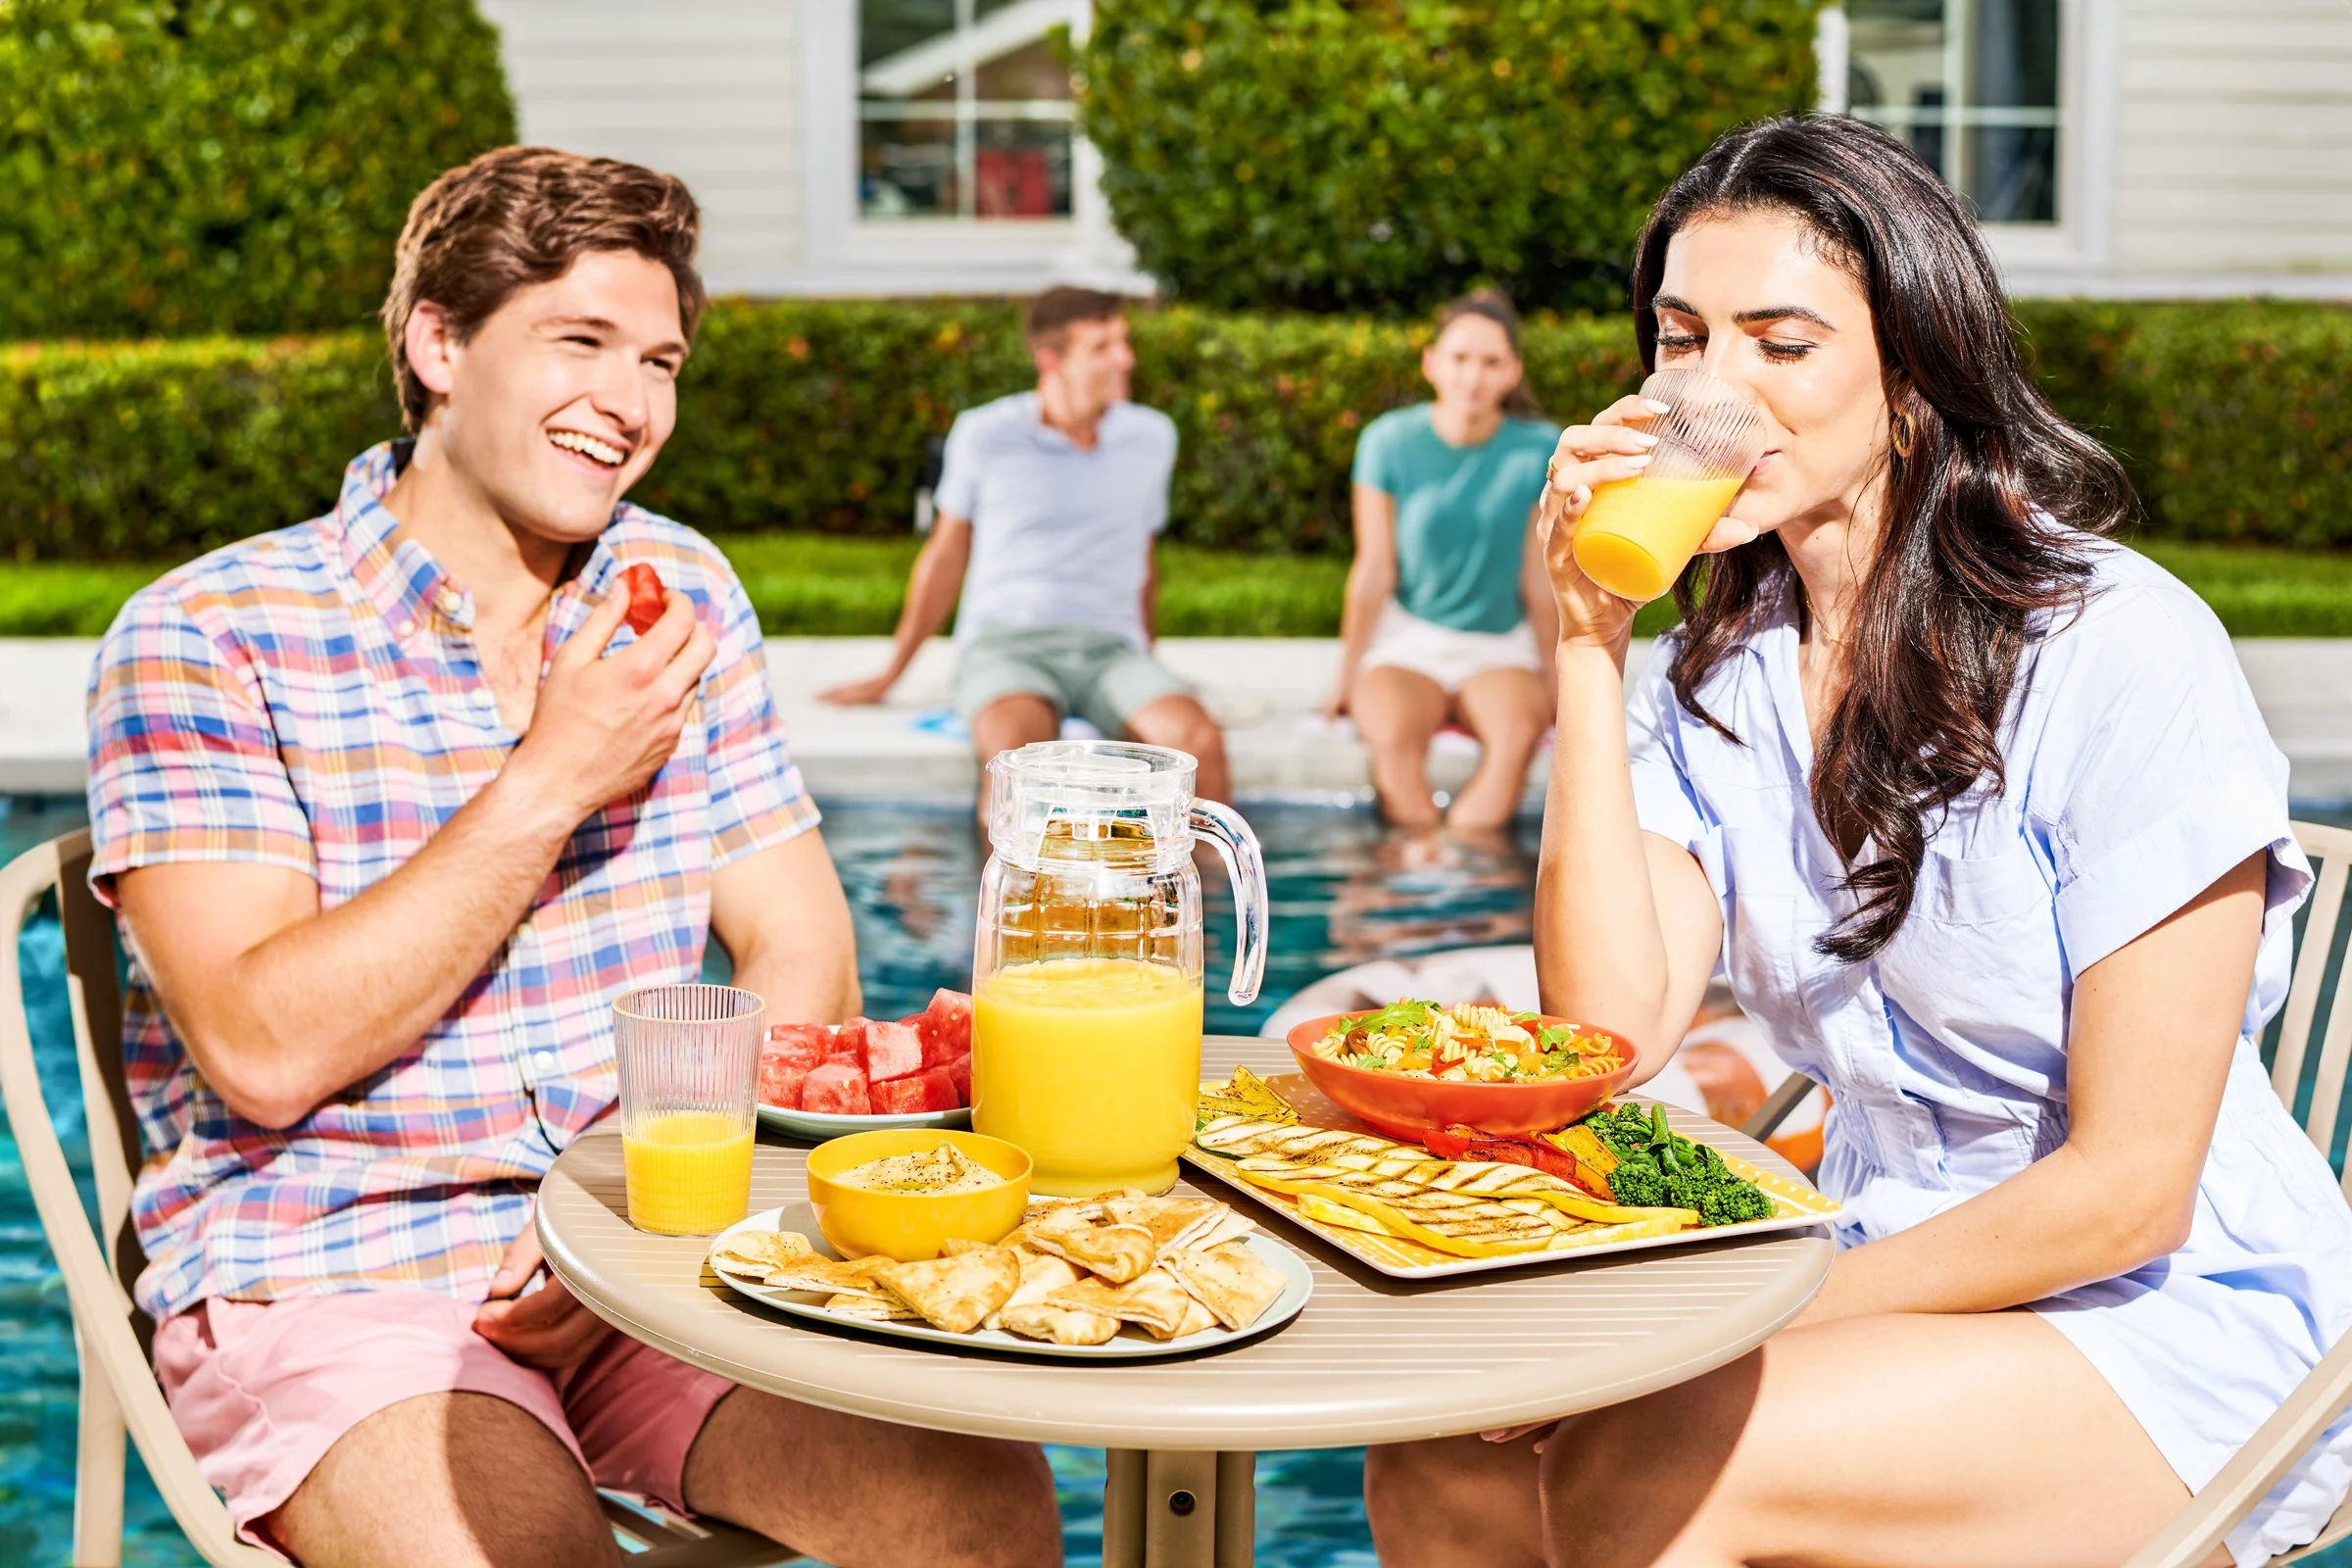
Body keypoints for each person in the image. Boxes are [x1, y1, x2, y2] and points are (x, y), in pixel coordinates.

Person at [1365, 115, 2352, 1568]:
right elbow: (1606, 1033)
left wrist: (1719, 1326)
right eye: (1683, 339)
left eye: (1783, 343)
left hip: (2159, 1315)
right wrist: (1587, 641)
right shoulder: (1720, 675)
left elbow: (2131, 1189)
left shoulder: (2116, 649)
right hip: (1870, 1265)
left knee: (1663, 1447)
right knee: (1442, 1448)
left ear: (1913, 375)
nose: (1714, 390)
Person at [83, 146, 1059, 1568]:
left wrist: (643, 1206)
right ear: (439, 343)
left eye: (658, 359)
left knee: (973, 1506)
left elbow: (803, 947)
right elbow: (262, 1047)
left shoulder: (680, 594)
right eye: (581, 342)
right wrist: (551, 777)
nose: (632, 404)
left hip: (649, 1248)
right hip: (344, 1271)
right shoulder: (211, 635)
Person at [819, 287, 1229, 804]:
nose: (1126, 359)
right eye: (1102, 348)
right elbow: (945, 557)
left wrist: (1149, 658)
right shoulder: (985, 434)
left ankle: (1209, 887)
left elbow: (1141, 556)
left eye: (1123, 343)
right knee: (1015, 776)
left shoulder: (1152, 437)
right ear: (1049, 360)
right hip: (1007, 647)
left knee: (1198, 747)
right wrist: (890, 675)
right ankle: (1001, 888)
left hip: (1110, 652)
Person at [1328, 291, 1560, 830]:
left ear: (1513, 373)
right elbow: (1375, 569)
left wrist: (1557, 681)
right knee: (1392, 745)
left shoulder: (1538, 450)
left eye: (1491, 362)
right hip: (1409, 639)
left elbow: (1537, 576)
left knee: (1514, 742)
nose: (1472, 376)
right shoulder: (1387, 442)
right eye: (1459, 358)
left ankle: (1460, 871)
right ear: (1432, 363)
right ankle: (1422, 867)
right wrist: (1343, 680)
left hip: (1499, 644)